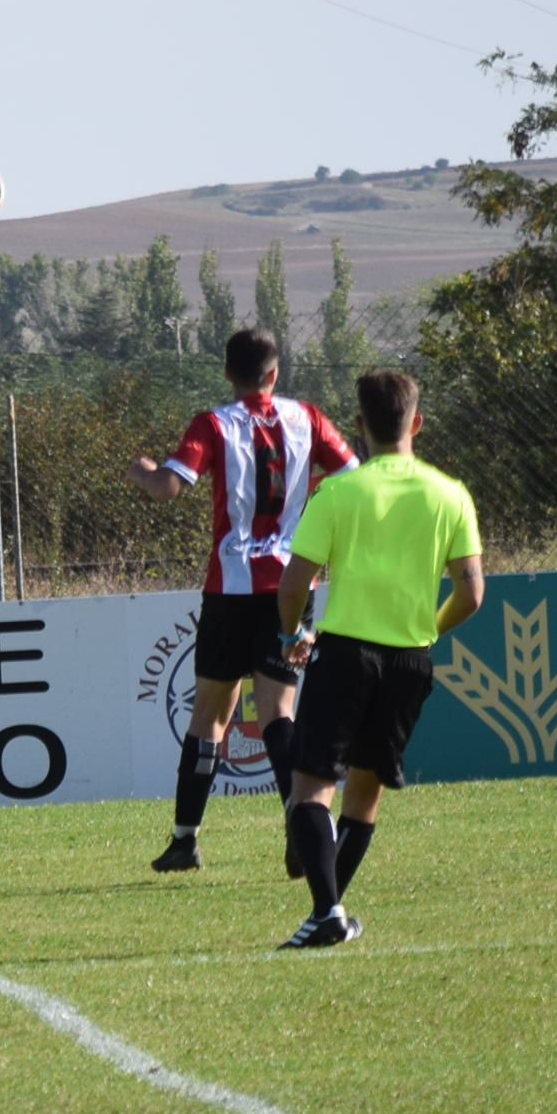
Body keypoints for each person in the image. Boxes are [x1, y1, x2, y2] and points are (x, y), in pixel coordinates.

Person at [128, 327, 355, 874]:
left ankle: (185, 840)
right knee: (278, 711)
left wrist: (141, 471)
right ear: (274, 374)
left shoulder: (214, 423)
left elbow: (168, 489)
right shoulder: (309, 419)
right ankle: (300, 827)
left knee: (209, 712)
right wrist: (314, 497)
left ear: (228, 373)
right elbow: (353, 477)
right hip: (291, 584)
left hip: (229, 587)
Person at [273, 368, 484, 949]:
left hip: (344, 655)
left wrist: (291, 632)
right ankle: (328, 911)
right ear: (416, 422)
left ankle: (327, 913)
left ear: (359, 427)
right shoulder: (451, 494)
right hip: (410, 662)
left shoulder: (339, 493)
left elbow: (293, 586)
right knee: (365, 796)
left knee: (311, 788)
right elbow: (471, 594)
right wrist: (426, 632)